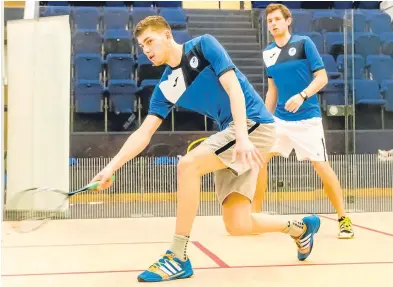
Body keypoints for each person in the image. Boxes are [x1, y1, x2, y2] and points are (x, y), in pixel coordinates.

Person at [91, 16, 321, 283]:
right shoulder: (165, 87)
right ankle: (301, 229)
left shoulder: (203, 46)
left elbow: (234, 87)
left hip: (253, 124)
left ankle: (177, 256)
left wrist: (244, 137)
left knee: (188, 165)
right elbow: (143, 134)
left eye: (150, 41)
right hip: (231, 134)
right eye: (142, 46)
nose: (147, 50)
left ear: (167, 35)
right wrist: (109, 168)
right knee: (238, 224)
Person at [255, 3, 354, 239]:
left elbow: (322, 78)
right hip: (280, 119)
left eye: (278, 19)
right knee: (259, 161)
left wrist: (302, 96)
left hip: (308, 119)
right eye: (270, 21)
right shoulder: (268, 52)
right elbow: (272, 90)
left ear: (288, 21)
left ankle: (344, 219)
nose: (273, 24)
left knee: (320, 166)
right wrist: (266, 120)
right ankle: (254, 216)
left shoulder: (304, 44)